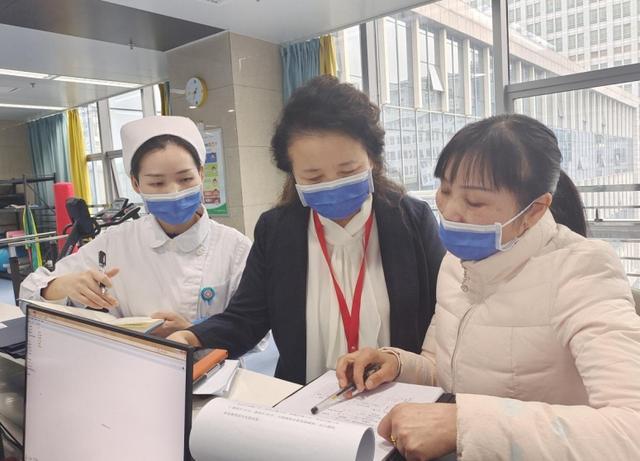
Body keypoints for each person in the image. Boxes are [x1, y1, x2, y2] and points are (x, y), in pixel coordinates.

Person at [336, 114, 640, 460]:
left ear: (534, 211)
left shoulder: (582, 270)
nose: (450, 211)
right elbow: (447, 372)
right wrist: (398, 364)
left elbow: (631, 428)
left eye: (475, 202)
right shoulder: (455, 263)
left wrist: (464, 426)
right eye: (445, 190)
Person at [168, 76, 445, 384]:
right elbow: (246, 319)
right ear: (293, 175)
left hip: (400, 399)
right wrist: (189, 338)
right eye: (314, 178)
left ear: (373, 161)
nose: (332, 185)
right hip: (305, 400)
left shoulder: (411, 221)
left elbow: (445, 312)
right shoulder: (277, 231)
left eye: (348, 171)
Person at [20, 116, 252, 338]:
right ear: (135, 183)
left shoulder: (235, 247)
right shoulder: (115, 242)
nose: (174, 192)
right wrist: (61, 286)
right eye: (157, 183)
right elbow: (27, 294)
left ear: (201, 173)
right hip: (131, 359)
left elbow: (255, 332)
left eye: (185, 179)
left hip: (211, 362)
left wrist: (197, 333)